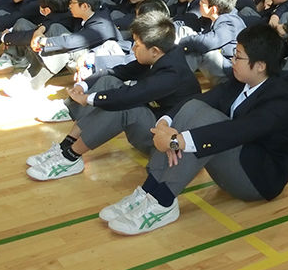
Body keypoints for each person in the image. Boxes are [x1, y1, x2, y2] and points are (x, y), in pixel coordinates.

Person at [102, 24, 288, 235]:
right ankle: (148, 190)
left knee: (208, 120)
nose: (232, 61)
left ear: (260, 65)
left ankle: (164, 201)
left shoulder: (280, 98)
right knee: (195, 107)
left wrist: (177, 141)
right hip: (239, 157)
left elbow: (238, 131)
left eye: (238, 56)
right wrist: (166, 122)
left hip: (258, 178)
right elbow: (198, 100)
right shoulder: (241, 81)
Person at [24, 12, 201, 180]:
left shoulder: (171, 73)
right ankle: (66, 145)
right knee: (108, 82)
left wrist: (87, 99)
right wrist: (83, 85)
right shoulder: (164, 52)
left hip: (167, 142)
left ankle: (71, 157)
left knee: (125, 107)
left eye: (137, 45)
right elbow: (121, 71)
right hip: (155, 122)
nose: (133, 48)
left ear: (154, 50)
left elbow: (131, 95)